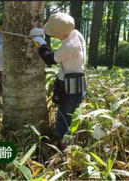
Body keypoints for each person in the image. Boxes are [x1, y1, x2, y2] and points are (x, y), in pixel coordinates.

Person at [29, 13, 86, 150]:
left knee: (63, 119)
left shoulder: (70, 47)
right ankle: (67, 145)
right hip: (78, 83)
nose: (53, 36)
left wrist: (40, 43)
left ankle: (63, 150)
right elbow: (58, 31)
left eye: (54, 34)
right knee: (69, 117)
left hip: (69, 88)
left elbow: (49, 59)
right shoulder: (75, 33)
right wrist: (41, 32)